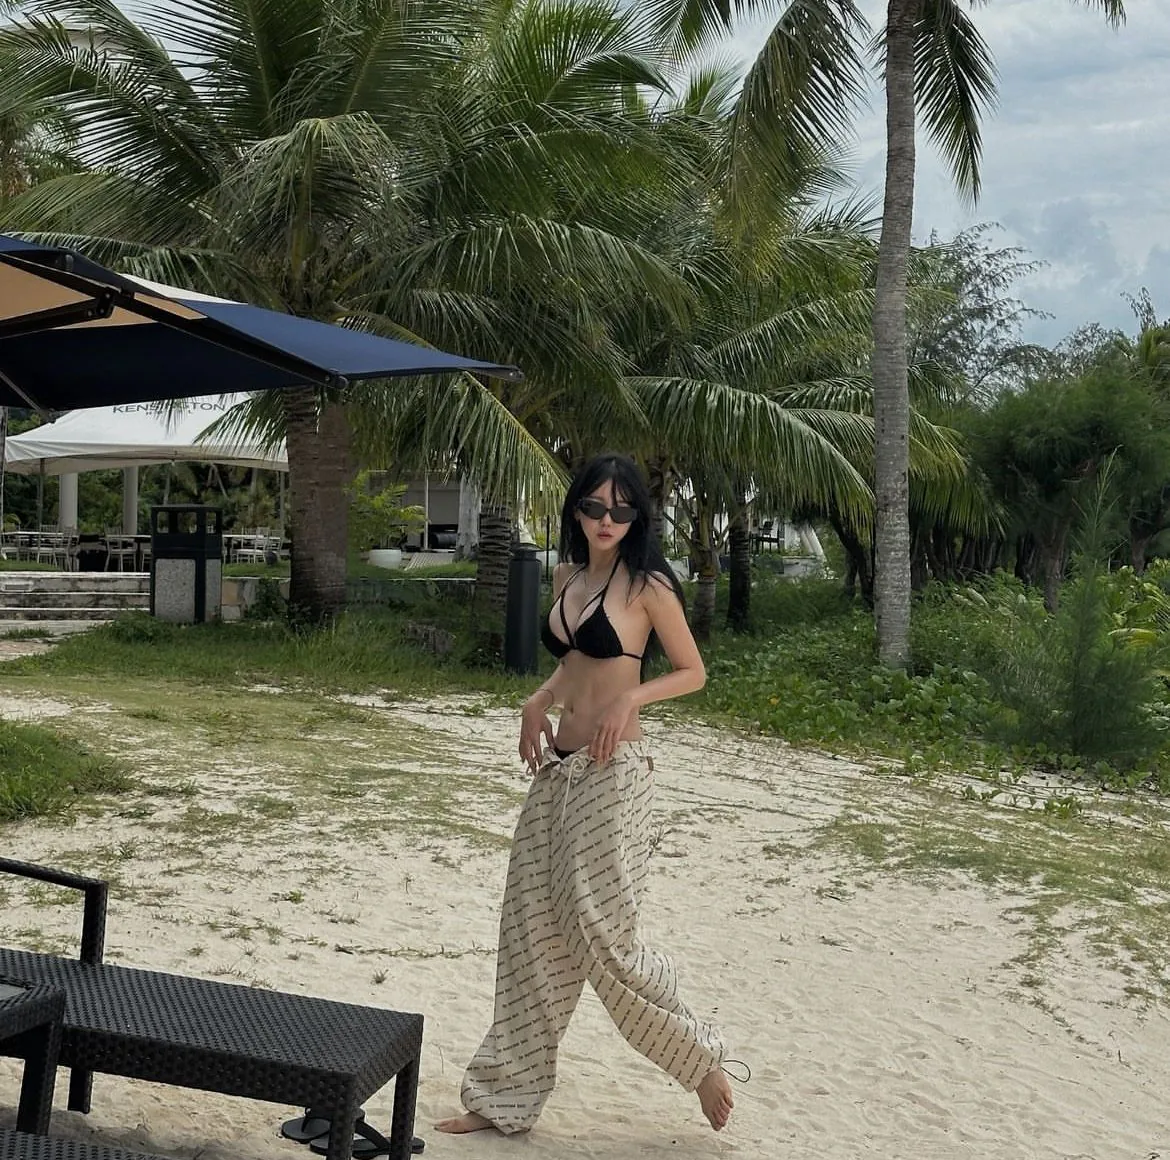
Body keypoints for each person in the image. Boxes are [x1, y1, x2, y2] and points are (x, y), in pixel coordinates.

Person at [435, 452, 735, 1138]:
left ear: (636, 516)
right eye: (596, 506)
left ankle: (700, 1061)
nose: (608, 519)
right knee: (530, 930)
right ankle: (502, 1099)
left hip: (614, 772)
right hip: (558, 770)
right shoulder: (568, 576)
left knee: (603, 935)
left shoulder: (648, 586)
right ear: (577, 510)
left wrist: (632, 697)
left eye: (622, 509)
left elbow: (693, 671)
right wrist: (538, 699)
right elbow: (576, 662)